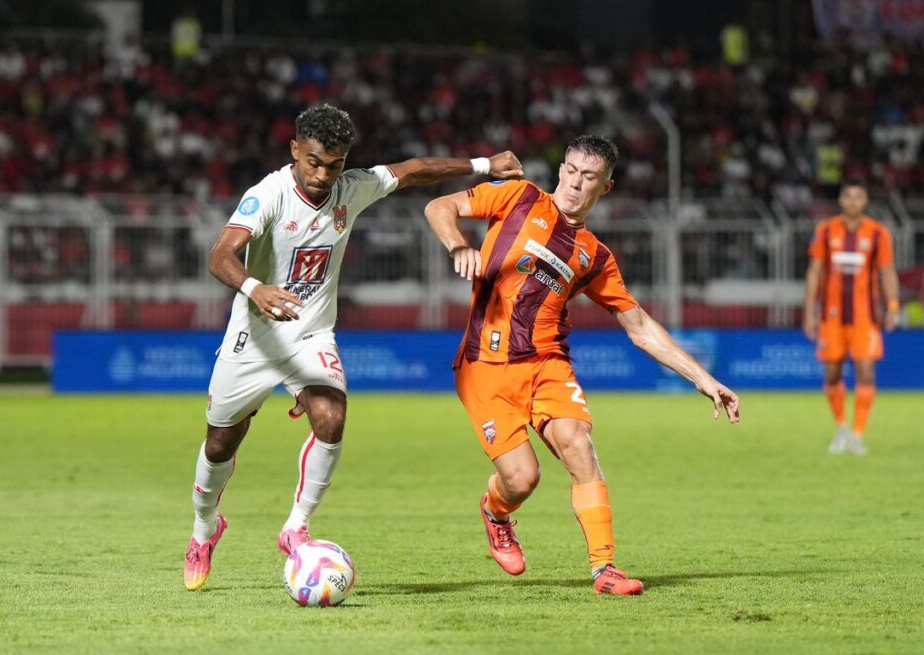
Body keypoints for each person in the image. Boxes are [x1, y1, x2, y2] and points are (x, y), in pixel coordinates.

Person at [183, 103, 523, 591]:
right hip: (254, 337)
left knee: (332, 417)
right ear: (295, 150)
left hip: (311, 333)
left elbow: (411, 172)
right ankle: (204, 529)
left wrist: (484, 166)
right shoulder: (268, 194)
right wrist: (256, 289)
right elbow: (220, 255)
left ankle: (296, 525)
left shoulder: (351, 188)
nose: (323, 174)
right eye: (314, 161)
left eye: (335, 163)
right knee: (221, 442)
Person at [423, 135, 740, 595]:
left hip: (548, 363)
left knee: (579, 445)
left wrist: (703, 379)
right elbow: (439, 207)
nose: (574, 182)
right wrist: (457, 247)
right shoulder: (518, 196)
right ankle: (495, 512)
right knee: (522, 478)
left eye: (588, 176)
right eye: (570, 170)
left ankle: (605, 569)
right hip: (484, 366)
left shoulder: (594, 256)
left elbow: (640, 326)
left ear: (605, 187)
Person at [802, 182, 899, 456]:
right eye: (848, 196)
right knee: (832, 372)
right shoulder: (826, 230)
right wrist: (809, 311)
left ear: (866, 201)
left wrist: (892, 305)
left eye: (859, 196)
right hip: (831, 316)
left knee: (866, 371)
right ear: (841, 200)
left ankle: (857, 434)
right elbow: (815, 272)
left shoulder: (879, 233)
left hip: (865, 317)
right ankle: (841, 427)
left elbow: (887, 271)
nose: (853, 201)